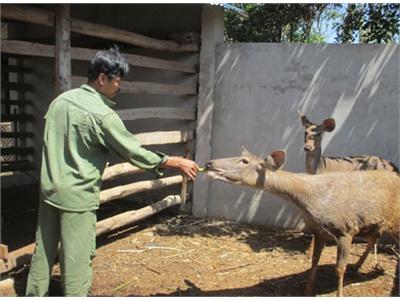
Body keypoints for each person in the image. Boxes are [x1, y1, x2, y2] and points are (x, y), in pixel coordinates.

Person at [25, 47, 199, 296]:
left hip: (49, 190)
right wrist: (173, 161)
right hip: (78, 197)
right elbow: (134, 152)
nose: (120, 86)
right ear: (102, 78)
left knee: (43, 251)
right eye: (118, 80)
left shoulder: (60, 101)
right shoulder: (103, 115)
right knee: (76, 262)